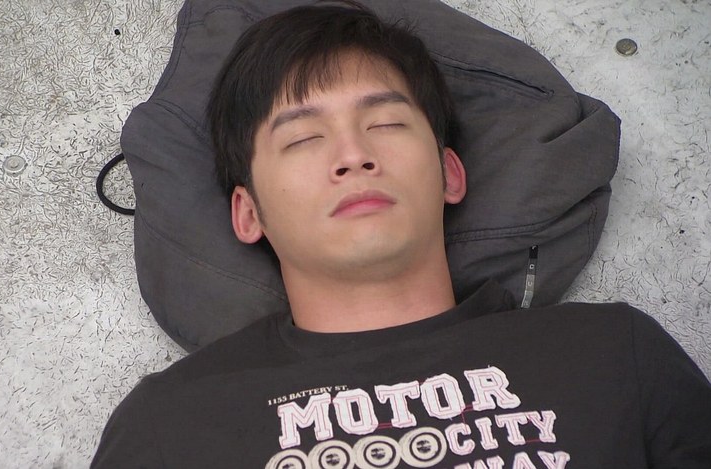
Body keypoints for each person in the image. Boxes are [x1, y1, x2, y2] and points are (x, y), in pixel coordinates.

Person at [91, 2, 711, 468]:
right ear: (247, 212)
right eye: (303, 138)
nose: (353, 155)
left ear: (449, 173)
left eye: (386, 123)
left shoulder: (613, 356)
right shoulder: (170, 425)